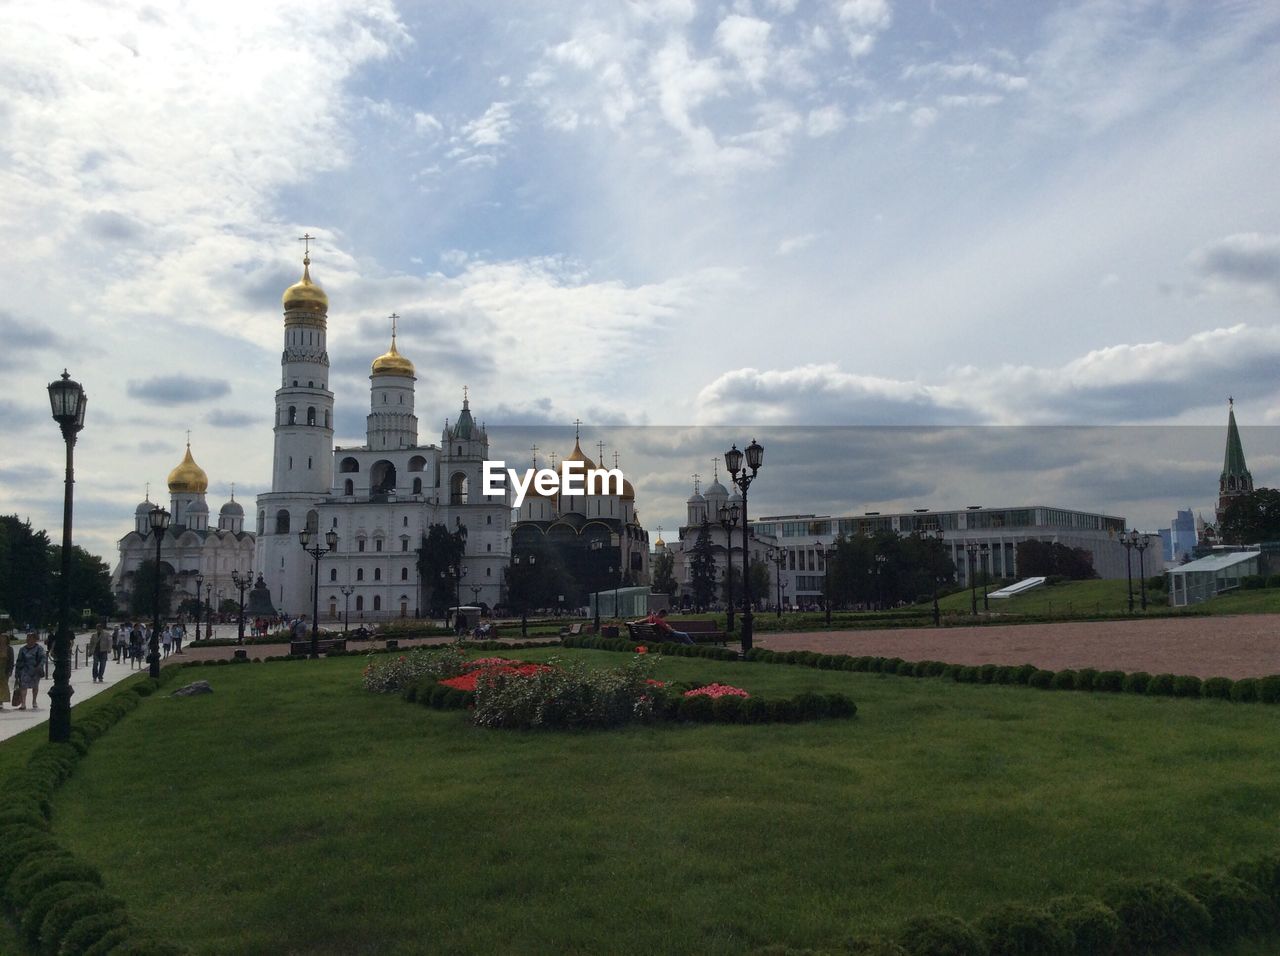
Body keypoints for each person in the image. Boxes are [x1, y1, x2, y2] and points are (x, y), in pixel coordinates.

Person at [14, 631, 48, 710]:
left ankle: (34, 701)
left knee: (35, 686)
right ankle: (23, 703)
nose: (28, 640)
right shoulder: (22, 649)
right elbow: (19, 661)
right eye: (28, 638)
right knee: (23, 686)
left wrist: (39, 666)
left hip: (35, 670)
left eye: (30, 638)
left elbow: (43, 658)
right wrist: (17, 672)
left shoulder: (39, 648)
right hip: (25, 670)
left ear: (35, 639)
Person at [1, 632, 14, 711]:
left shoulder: (9, 649)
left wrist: (10, 671)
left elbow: (11, 661)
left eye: (3, 638)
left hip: (4, 670)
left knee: (3, 686)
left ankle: (1, 701)